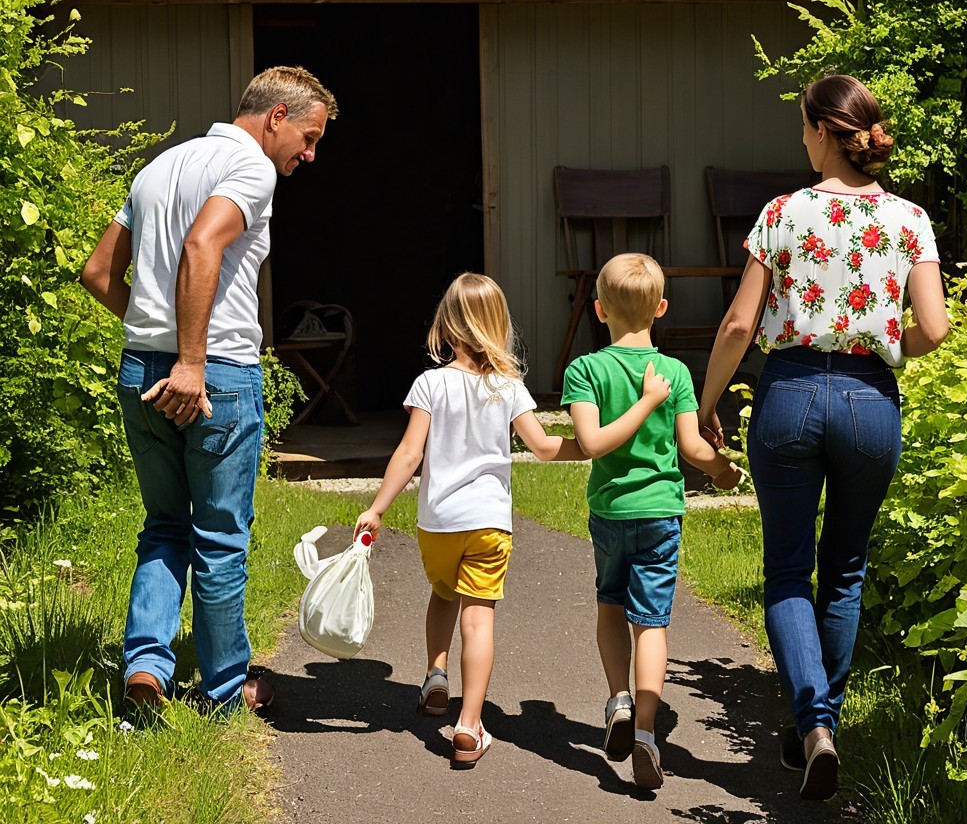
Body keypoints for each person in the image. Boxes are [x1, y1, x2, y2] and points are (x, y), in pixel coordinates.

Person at [696, 74, 949, 800]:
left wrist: (707, 406)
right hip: (871, 400)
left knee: (787, 572)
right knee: (844, 571)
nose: (800, 137)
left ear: (819, 130)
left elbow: (740, 324)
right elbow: (933, 327)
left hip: (791, 394)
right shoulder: (910, 219)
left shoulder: (783, 213)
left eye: (803, 126)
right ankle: (820, 725)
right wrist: (879, 351)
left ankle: (812, 725)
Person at [81, 66, 338, 713]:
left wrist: (156, 338)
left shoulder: (157, 169)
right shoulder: (248, 169)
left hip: (141, 370)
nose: (309, 154)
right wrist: (190, 363)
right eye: (308, 137)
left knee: (164, 526)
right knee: (220, 539)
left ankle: (145, 667)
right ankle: (225, 694)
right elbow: (203, 245)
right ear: (276, 115)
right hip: (214, 377)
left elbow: (97, 272)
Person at [354, 272, 584, 769]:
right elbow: (543, 447)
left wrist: (376, 507)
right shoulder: (508, 386)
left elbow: (410, 453)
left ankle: (436, 674)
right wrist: (589, 446)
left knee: (442, 594)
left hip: (438, 522)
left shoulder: (429, 383)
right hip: (488, 523)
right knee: (477, 617)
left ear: (448, 325)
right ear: (498, 326)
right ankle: (468, 724)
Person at [561, 252, 742, 790]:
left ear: (598, 310)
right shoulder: (675, 372)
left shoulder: (585, 370)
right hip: (661, 512)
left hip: (611, 511)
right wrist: (723, 470)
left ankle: (618, 698)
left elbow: (590, 443)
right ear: (661, 309)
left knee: (611, 604)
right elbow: (691, 448)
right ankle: (644, 732)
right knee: (653, 622)